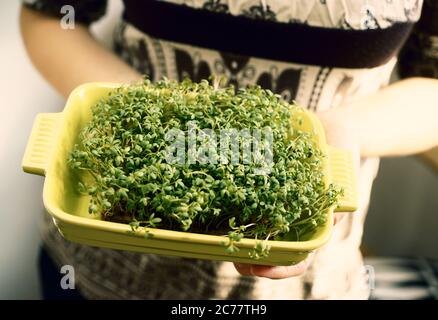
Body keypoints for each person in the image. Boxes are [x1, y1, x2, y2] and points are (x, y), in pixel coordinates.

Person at [20, 0, 438, 299]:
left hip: (305, 284)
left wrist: (341, 131)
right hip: (99, 270)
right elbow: (50, 16)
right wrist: (149, 110)